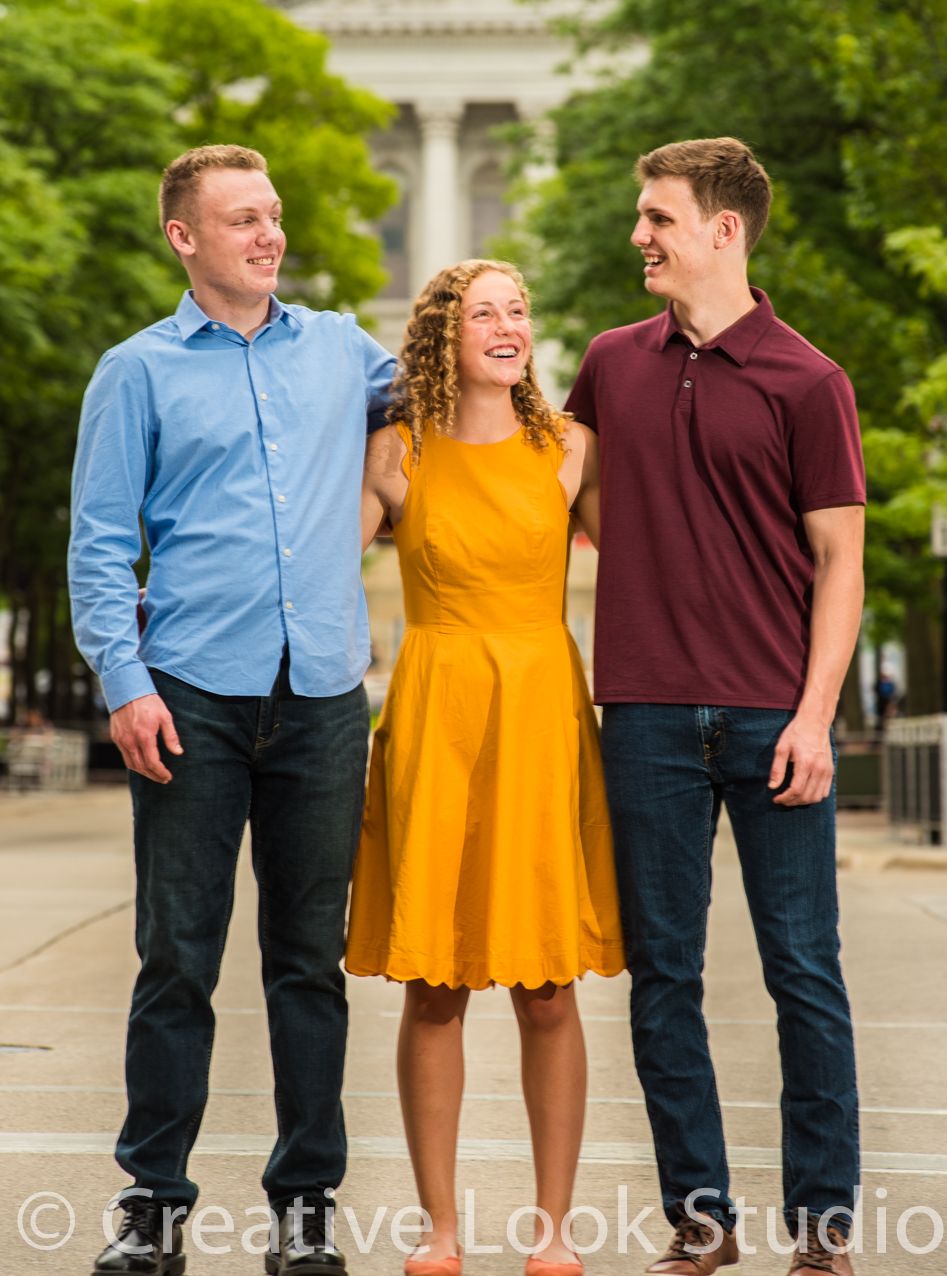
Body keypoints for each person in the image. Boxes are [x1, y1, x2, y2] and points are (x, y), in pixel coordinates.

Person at [69, 144, 396, 1276]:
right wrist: (125, 683)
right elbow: (102, 544)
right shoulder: (137, 371)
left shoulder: (342, 350)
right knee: (177, 960)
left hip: (319, 699)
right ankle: (152, 1207)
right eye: (242, 220)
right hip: (190, 700)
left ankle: (304, 1205)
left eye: (272, 217)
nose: (268, 236)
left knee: (308, 963)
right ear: (184, 238)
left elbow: (446, 388)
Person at [565, 139, 865, 1276]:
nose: (638, 236)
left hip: (768, 718)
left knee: (803, 972)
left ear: (723, 230)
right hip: (641, 713)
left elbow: (838, 562)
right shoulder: (608, 362)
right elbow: (560, 499)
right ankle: (701, 1220)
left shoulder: (808, 379)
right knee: (663, 978)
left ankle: (821, 1229)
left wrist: (812, 715)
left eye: (657, 218)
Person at [345, 260, 625, 1276]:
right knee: (435, 986)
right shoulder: (393, 453)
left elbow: (659, 553)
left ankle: (551, 1229)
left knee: (548, 986)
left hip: (540, 716)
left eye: (517, 311)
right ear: (439, 336)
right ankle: (440, 1228)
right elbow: (314, 564)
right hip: (435, 715)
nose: (506, 327)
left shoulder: (570, 449)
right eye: (483, 313)